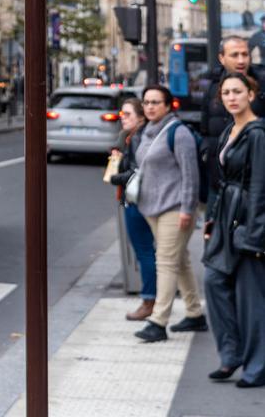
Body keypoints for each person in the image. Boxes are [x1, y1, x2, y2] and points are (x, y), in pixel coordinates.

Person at [203, 73, 265, 388]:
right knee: (214, 281)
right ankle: (231, 354)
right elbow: (223, 181)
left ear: (251, 94)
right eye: (226, 92)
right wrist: (213, 217)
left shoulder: (258, 133)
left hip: (248, 222)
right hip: (227, 217)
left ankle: (256, 368)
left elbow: (259, 187)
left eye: (238, 91)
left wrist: (255, 235)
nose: (231, 97)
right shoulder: (231, 128)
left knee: (250, 298)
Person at [133, 85, 207, 343]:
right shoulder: (147, 132)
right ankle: (195, 313)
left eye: (156, 102)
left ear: (167, 105)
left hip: (175, 208)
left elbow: (190, 175)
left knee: (165, 261)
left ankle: (158, 320)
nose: (150, 107)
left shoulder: (179, 132)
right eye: (147, 102)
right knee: (180, 260)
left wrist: (188, 209)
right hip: (152, 207)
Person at [200, 36, 265, 215]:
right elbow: (205, 129)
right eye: (234, 55)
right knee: (214, 239)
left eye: (245, 54)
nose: (241, 60)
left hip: (254, 186)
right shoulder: (212, 87)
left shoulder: (261, 85)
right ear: (222, 58)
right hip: (219, 183)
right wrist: (207, 153)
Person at [110, 97, 156, 320]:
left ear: (140, 117)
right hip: (137, 199)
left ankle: (149, 300)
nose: (123, 118)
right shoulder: (130, 137)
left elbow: (137, 171)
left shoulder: (138, 138)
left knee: (144, 251)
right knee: (147, 251)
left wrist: (116, 177)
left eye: (128, 114)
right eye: (122, 114)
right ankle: (153, 298)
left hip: (137, 200)